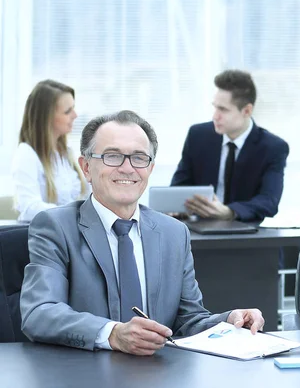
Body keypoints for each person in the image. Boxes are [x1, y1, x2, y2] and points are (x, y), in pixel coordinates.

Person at [20, 110, 264, 355]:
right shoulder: (55, 227)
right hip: (84, 375)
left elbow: (188, 321)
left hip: (158, 375)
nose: (127, 169)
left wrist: (229, 321)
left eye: (139, 158)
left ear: (150, 168)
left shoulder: (174, 233)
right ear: (85, 167)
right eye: (112, 156)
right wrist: (113, 334)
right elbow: (39, 312)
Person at [171, 69, 289, 222]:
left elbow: (269, 202)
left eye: (223, 110)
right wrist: (177, 208)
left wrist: (229, 212)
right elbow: (178, 187)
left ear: (246, 110)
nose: (215, 116)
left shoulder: (273, 147)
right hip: (199, 229)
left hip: (245, 234)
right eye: (215, 107)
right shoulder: (198, 136)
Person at [10, 79, 88, 222]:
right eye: (67, 111)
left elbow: (88, 194)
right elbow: (29, 208)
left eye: (73, 108)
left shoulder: (67, 153)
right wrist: (74, 214)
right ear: (47, 118)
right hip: (45, 236)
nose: (75, 115)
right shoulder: (26, 154)